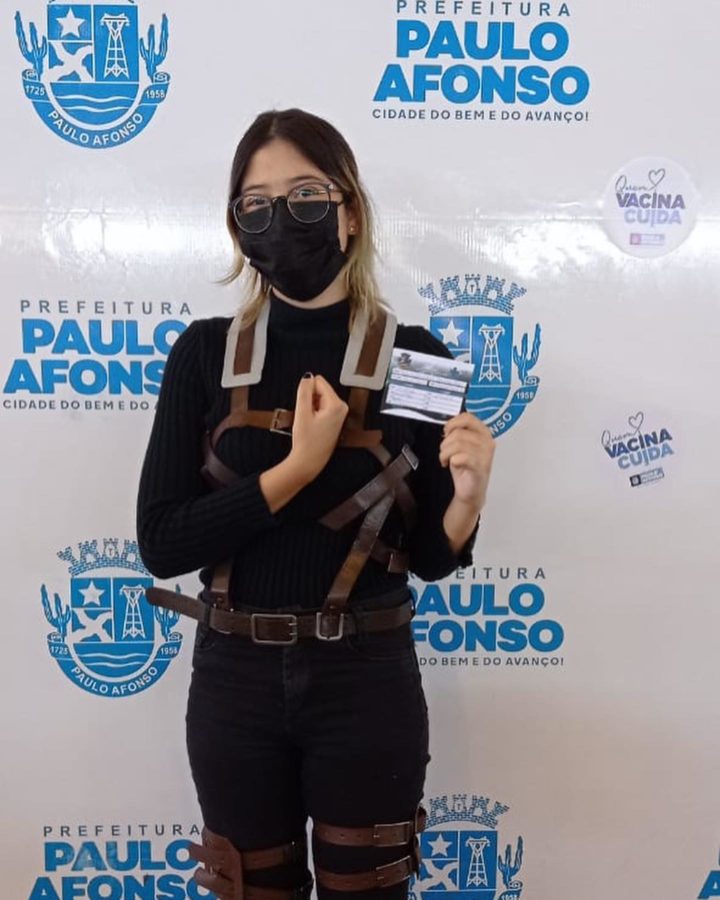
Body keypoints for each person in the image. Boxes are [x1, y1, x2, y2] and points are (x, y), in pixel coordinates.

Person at [136, 108, 495, 900]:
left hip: (365, 681)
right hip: (235, 683)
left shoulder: (417, 358)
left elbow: (431, 561)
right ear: (237, 226)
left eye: (304, 196)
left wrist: (467, 500)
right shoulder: (203, 353)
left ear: (350, 211)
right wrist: (298, 467)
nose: (280, 219)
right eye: (256, 204)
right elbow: (161, 543)